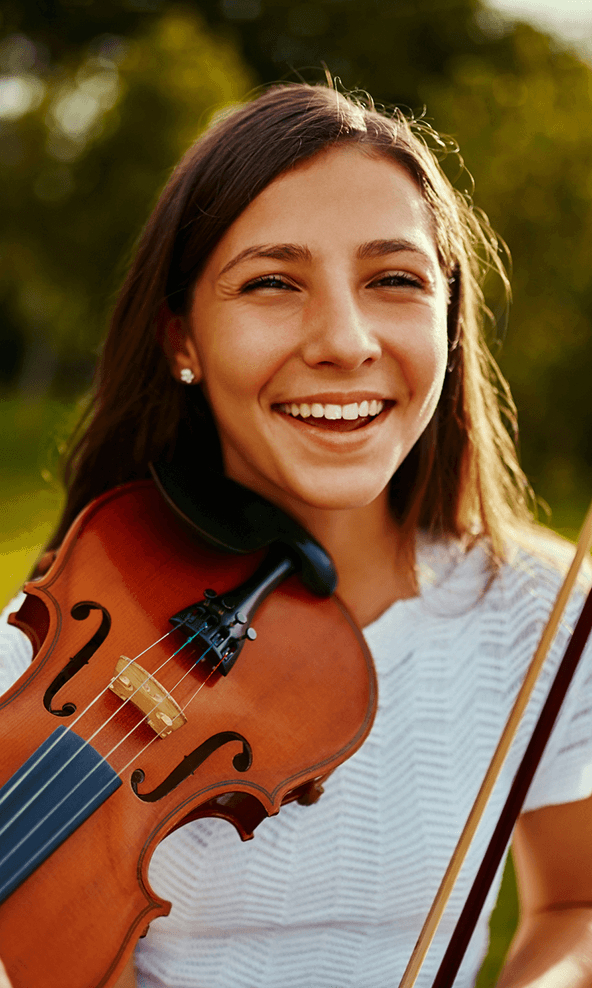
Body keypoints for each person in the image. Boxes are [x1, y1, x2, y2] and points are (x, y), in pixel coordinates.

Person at [1, 83, 592, 988]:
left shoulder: (538, 617)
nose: (345, 341)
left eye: (395, 279)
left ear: (449, 317)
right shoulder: (49, 657)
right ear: (180, 337)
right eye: (274, 283)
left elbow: (573, 907)